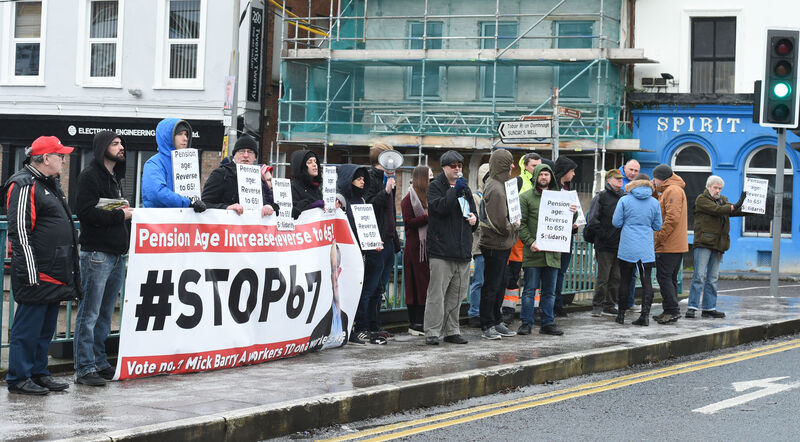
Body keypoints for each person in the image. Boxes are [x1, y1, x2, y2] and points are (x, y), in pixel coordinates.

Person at [4, 136, 81, 395]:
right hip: (38, 272)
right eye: (60, 155)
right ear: (46, 158)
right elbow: (20, 232)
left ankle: (38, 372)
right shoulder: (24, 183)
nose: (63, 159)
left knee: (45, 329)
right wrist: (30, 272)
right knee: (27, 329)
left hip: (54, 271)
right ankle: (19, 378)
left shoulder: (48, 183)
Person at [73, 131, 134, 387]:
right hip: (97, 254)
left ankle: (98, 361)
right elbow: (84, 212)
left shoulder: (114, 178)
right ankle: (84, 367)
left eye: (121, 143)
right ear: (102, 148)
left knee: (105, 314)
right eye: (115, 143)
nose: (121, 147)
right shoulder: (90, 176)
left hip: (115, 255)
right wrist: (121, 216)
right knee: (89, 312)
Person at [424, 150, 477, 345]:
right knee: (437, 294)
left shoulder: (466, 189)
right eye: (453, 166)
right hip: (441, 251)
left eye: (459, 166)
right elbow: (440, 208)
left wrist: (475, 220)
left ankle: (452, 330)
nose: (457, 169)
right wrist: (454, 190)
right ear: (444, 168)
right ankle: (432, 331)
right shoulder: (435, 187)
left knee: (457, 294)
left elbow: (473, 212)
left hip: (462, 250)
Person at [686, 176, 747, 319]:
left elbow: (734, 211)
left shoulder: (723, 200)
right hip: (704, 242)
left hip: (719, 243)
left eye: (720, 188)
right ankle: (692, 307)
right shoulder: (702, 199)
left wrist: (753, 208)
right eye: (715, 187)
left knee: (712, 278)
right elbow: (717, 210)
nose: (718, 190)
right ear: (708, 187)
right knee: (699, 276)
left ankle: (709, 308)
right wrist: (737, 204)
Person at [518, 163, 568, 336]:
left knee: (549, 292)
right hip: (534, 252)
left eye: (547, 174)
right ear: (536, 177)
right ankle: (526, 322)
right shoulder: (525, 197)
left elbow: (567, 220)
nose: (544, 177)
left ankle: (547, 323)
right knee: (530, 290)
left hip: (553, 254)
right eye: (541, 174)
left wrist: (573, 212)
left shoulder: (560, 198)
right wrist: (530, 241)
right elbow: (521, 224)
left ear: (551, 177)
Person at [478, 149, 520, 340]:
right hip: (495, 244)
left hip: (502, 244)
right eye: (509, 162)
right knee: (492, 285)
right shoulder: (495, 188)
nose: (513, 166)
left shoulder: (501, 185)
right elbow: (500, 222)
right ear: (502, 164)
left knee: (500, 283)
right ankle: (487, 324)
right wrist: (514, 226)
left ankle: (496, 320)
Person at [360, 142, 400, 342]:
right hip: (375, 240)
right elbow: (369, 205)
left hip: (388, 240)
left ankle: (376, 325)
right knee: (371, 286)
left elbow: (390, 212)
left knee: (380, 288)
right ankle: (363, 326)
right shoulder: (370, 178)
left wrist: (395, 239)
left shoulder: (390, 179)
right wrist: (385, 191)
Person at [612, 173, 662, 326]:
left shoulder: (624, 200)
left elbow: (616, 222)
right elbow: (657, 225)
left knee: (625, 280)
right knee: (647, 281)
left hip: (628, 245)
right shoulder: (654, 202)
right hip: (645, 247)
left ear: (634, 183)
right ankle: (645, 316)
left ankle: (621, 315)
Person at [336, 163, 371, 344]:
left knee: (359, 290)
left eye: (363, 179)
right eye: (358, 179)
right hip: (346, 254)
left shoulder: (362, 200)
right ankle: (344, 328)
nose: (362, 182)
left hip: (361, 251)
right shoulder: (341, 200)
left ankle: (354, 327)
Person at [202, 134, 278, 217]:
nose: (246, 155)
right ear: (234, 154)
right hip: (225, 228)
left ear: (255, 157)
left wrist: (267, 206)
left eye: (250, 152)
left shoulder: (256, 177)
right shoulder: (221, 174)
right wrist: (226, 208)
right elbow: (204, 204)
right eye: (241, 151)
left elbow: (261, 202)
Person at [141, 119, 206, 212]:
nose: (185, 138)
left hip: (181, 220)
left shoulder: (186, 163)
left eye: (186, 134)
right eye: (180, 134)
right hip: (158, 222)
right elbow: (156, 193)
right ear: (168, 137)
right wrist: (187, 203)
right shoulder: (154, 163)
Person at [651, 164, 688, 325]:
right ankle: (669, 310)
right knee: (670, 278)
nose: (653, 181)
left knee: (664, 277)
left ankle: (672, 311)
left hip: (669, 244)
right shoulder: (670, 189)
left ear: (661, 178)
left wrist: (659, 237)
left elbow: (671, 218)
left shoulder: (672, 190)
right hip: (674, 243)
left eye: (654, 178)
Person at [588, 169, 625, 317]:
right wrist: (603, 235)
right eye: (617, 179)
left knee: (616, 277)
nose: (620, 182)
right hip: (604, 244)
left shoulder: (623, 197)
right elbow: (592, 219)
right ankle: (597, 305)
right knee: (603, 277)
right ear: (609, 180)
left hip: (619, 243)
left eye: (621, 179)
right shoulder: (601, 196)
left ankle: (610, 304)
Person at [401, 166, 432, 336]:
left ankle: (422, 320)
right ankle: (415, 322)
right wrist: (427, 217)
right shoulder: (408, 199)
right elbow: (408, 221)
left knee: (425, 285)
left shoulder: (428, 197)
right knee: (416, 284)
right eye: (429, 176)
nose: (432, 179)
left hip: (426, 247)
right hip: (415, 248)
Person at [309, 243, 350, 351]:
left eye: (332, 269)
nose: (328, 275)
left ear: (339, 272)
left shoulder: (343, 319)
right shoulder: (313, 317)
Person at [552, 155, 579, 317]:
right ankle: (552, 304)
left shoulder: (568, 189)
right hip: (555, 236)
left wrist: (574, 223)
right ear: (564, 171)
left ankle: (557, 303)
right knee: (553, 273)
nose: (574, 174)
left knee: (561, 272)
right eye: (572, 171)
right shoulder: (553, 190)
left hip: (567, 236)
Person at [467, 163, 490, 328]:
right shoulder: (476, 197)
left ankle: (485, 312)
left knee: (490, 282)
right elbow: (476, 223)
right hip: (480, 246)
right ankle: (474, 312)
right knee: (479, 281)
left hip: (494, 246)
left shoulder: (495, 195)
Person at [289, 149, 324, 219]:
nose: (314, 165)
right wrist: (312, 205)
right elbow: (291, 211)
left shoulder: (316, 187)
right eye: (309, 162)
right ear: (301, 167)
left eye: (315, 161)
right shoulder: (292, 187)